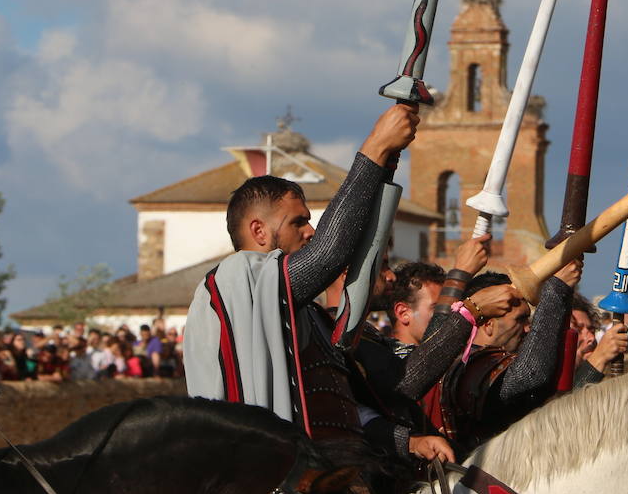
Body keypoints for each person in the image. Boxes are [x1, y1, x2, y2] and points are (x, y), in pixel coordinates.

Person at [185, 105, 472, 468]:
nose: (310, 231)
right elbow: (328, 254)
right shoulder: (238, 281)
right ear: (258, 231)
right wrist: (375, 148)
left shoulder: (302, 312)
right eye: (298, 222)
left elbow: (348, 404)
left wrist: (409, 442)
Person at [437, 263, 579, 456]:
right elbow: (528, 375)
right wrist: (556, 289)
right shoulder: (467, 364)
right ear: (488, 324)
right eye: (520, 319)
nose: (528, 328)